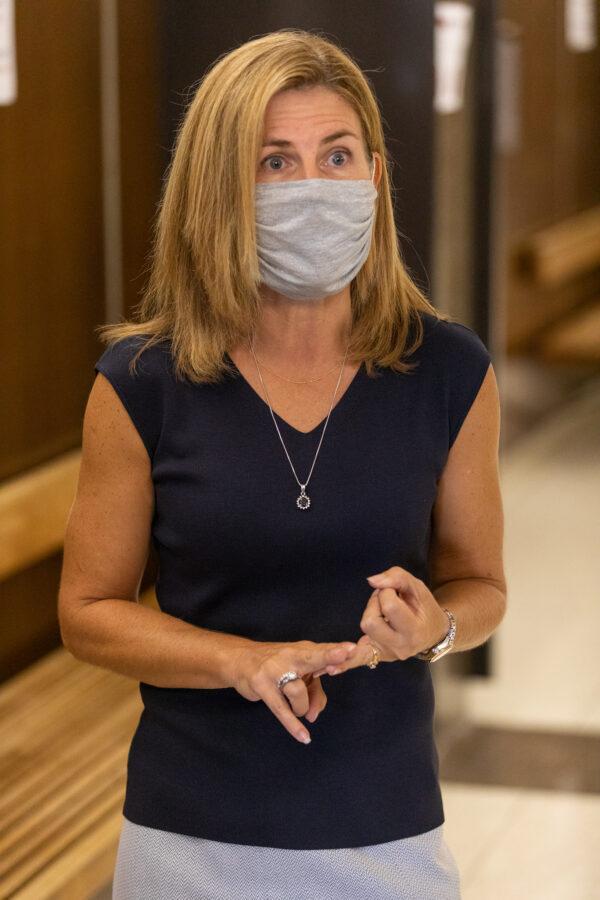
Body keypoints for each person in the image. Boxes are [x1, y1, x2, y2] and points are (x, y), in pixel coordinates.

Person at [58, 28, 506, 900]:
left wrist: (433, 630)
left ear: (374, 175)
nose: (313, 186)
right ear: (221, 190)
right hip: (190, 829)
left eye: (337, 156)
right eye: (275, 162)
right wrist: (241, 660)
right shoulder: (143, 383)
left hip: (387, 823)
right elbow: (87, 612)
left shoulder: (449, 373)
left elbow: (481, 585)